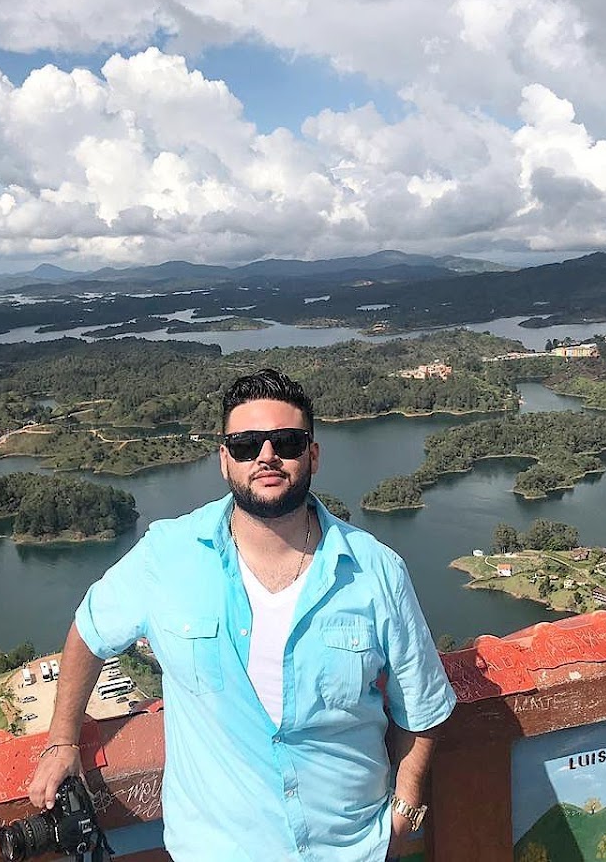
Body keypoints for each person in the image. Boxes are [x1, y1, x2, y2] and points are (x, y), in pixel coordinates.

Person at [29, 368, 456, 861]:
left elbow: (421, 708)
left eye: (287, 442)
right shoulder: (167, 555)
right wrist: (62, 741)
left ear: (313, 455)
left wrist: (404, 815)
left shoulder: (376, 570)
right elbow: (89, 632)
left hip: (352, 848)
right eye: (247, 444)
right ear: (224, 460)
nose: (267, 456)